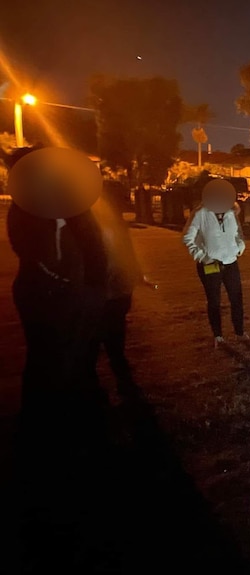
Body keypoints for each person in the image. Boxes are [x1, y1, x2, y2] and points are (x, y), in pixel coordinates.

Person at [6, 147, 109, 438]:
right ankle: (39, 418)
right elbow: (30, 252)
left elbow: (95, 249)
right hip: (40, 293)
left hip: (78, 293)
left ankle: (79, 411)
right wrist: (64, 282)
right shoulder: (25, 209)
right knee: (44, 354)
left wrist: (96, 288)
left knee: (81, 351)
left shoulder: (78, 207)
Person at [91, 194, 143, 397]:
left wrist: (134, 274)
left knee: (115, 335)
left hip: (116, 292)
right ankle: (97, 379)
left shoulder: (117, 228)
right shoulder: (86, 229)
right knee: (96, 338)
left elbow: (127, 253)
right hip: (99, 293)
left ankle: (121, 375)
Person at [183, 194, 247, 347]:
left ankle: (240, 332)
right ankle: (218, 335)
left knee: (236, 298)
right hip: (210, 264)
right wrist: (202, 256)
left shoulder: (232, 214)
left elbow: (239, 233)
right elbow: (187, 238)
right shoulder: (201, 215)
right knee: (214, 301)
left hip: (231, 262)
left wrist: (239, 247)